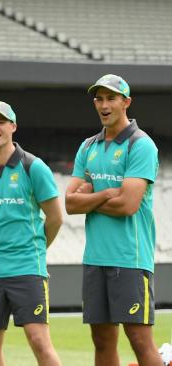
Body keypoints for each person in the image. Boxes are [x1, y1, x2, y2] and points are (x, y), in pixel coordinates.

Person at [65, 74, 162, 366]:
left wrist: (91, 198)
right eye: (99, 99)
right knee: (102, 342)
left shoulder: (141, 145)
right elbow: (70, 203)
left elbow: (128, 205)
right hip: (96, 259)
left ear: (126, 102)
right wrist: (108, 192)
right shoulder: (88, 147)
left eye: (111, 98)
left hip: (130, 259)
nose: (104, 105)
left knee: (140, 341)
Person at [0, 101, 63, 366]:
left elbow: (55, 218)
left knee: (39, 340)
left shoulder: (34, 167)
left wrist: (37, 251)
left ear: (13, 126)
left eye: (1, 122)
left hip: (27, 267)